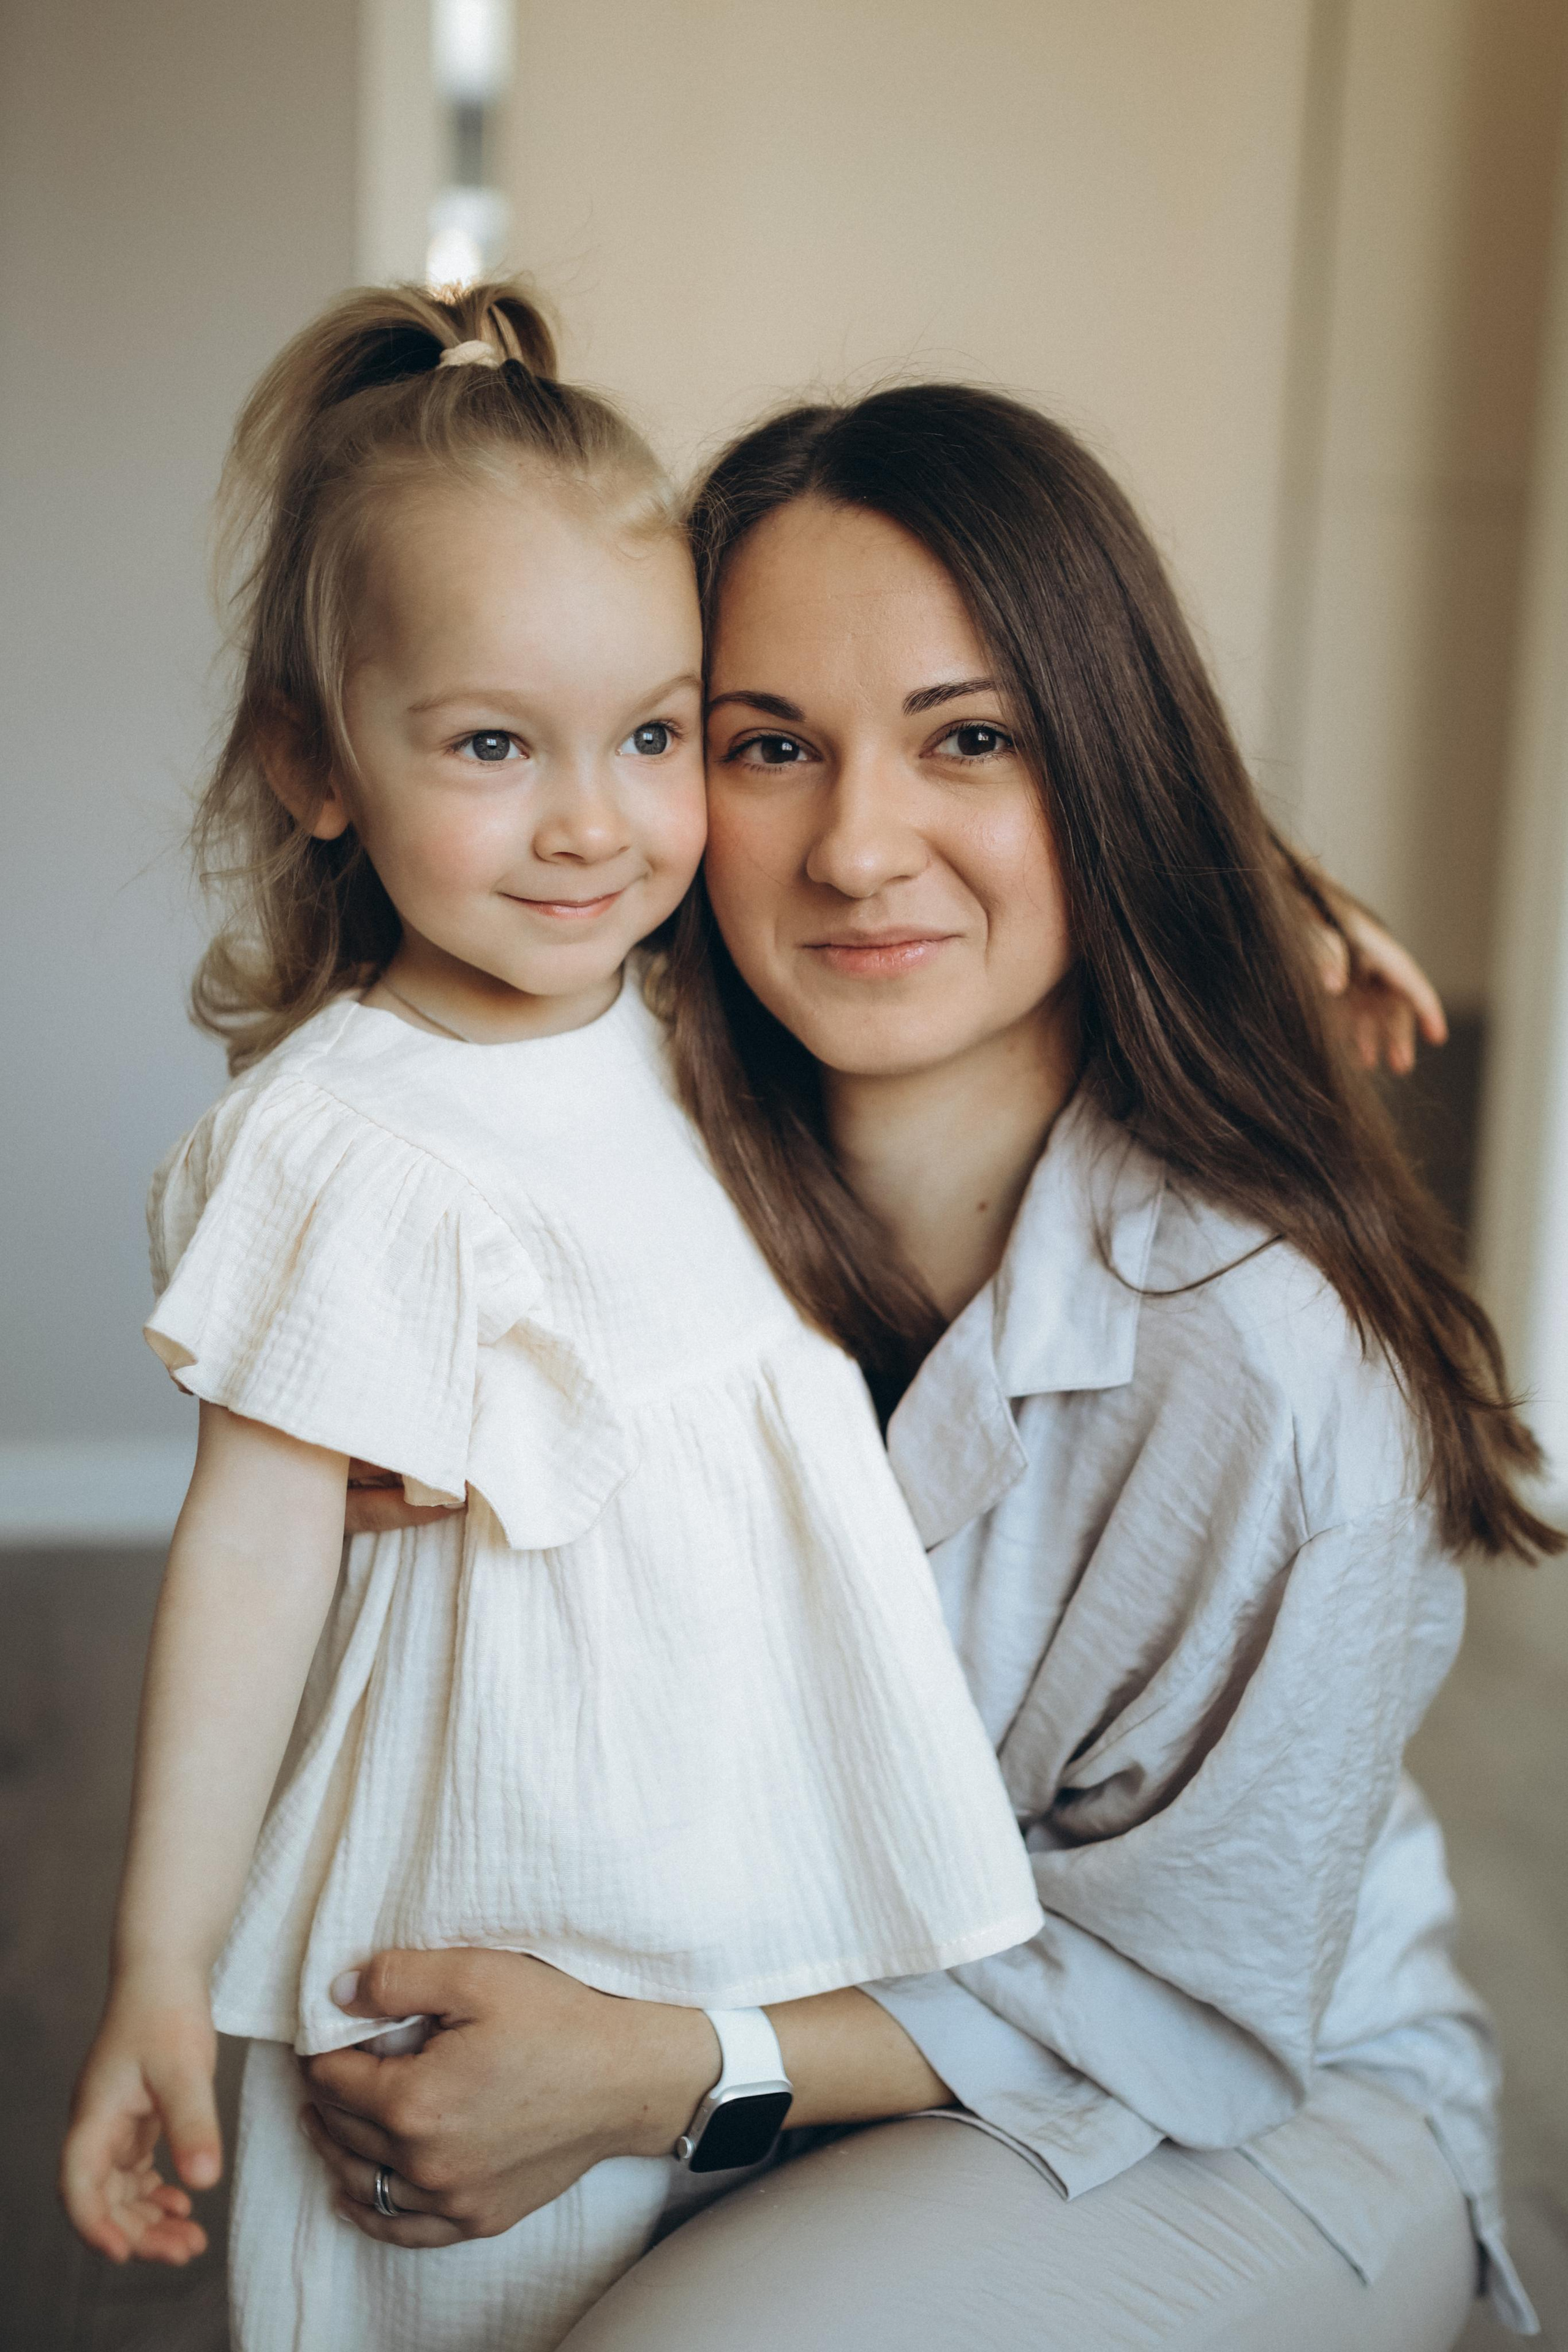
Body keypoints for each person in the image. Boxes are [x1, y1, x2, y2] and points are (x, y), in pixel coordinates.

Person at [297, 382, 1556, 2351]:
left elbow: (1182, 1996)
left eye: (973, 739)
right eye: (767, 746)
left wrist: (660, 2069)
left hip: (1236, 2099)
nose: (860, 845)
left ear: (1111, 773)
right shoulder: (617, 1145)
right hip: (801, 2018)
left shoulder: (1272, 1369)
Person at [56, 289, 1052, 2352]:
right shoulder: (351, 1144)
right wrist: (158, 1964)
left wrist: (1289, 905)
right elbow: (246, 1562)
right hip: (494, 1884)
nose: (594, 823)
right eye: (494, 746)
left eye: (658, 736)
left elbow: (1056, 889)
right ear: (317, 769)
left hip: (757, 1886)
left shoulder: (696, 1025)